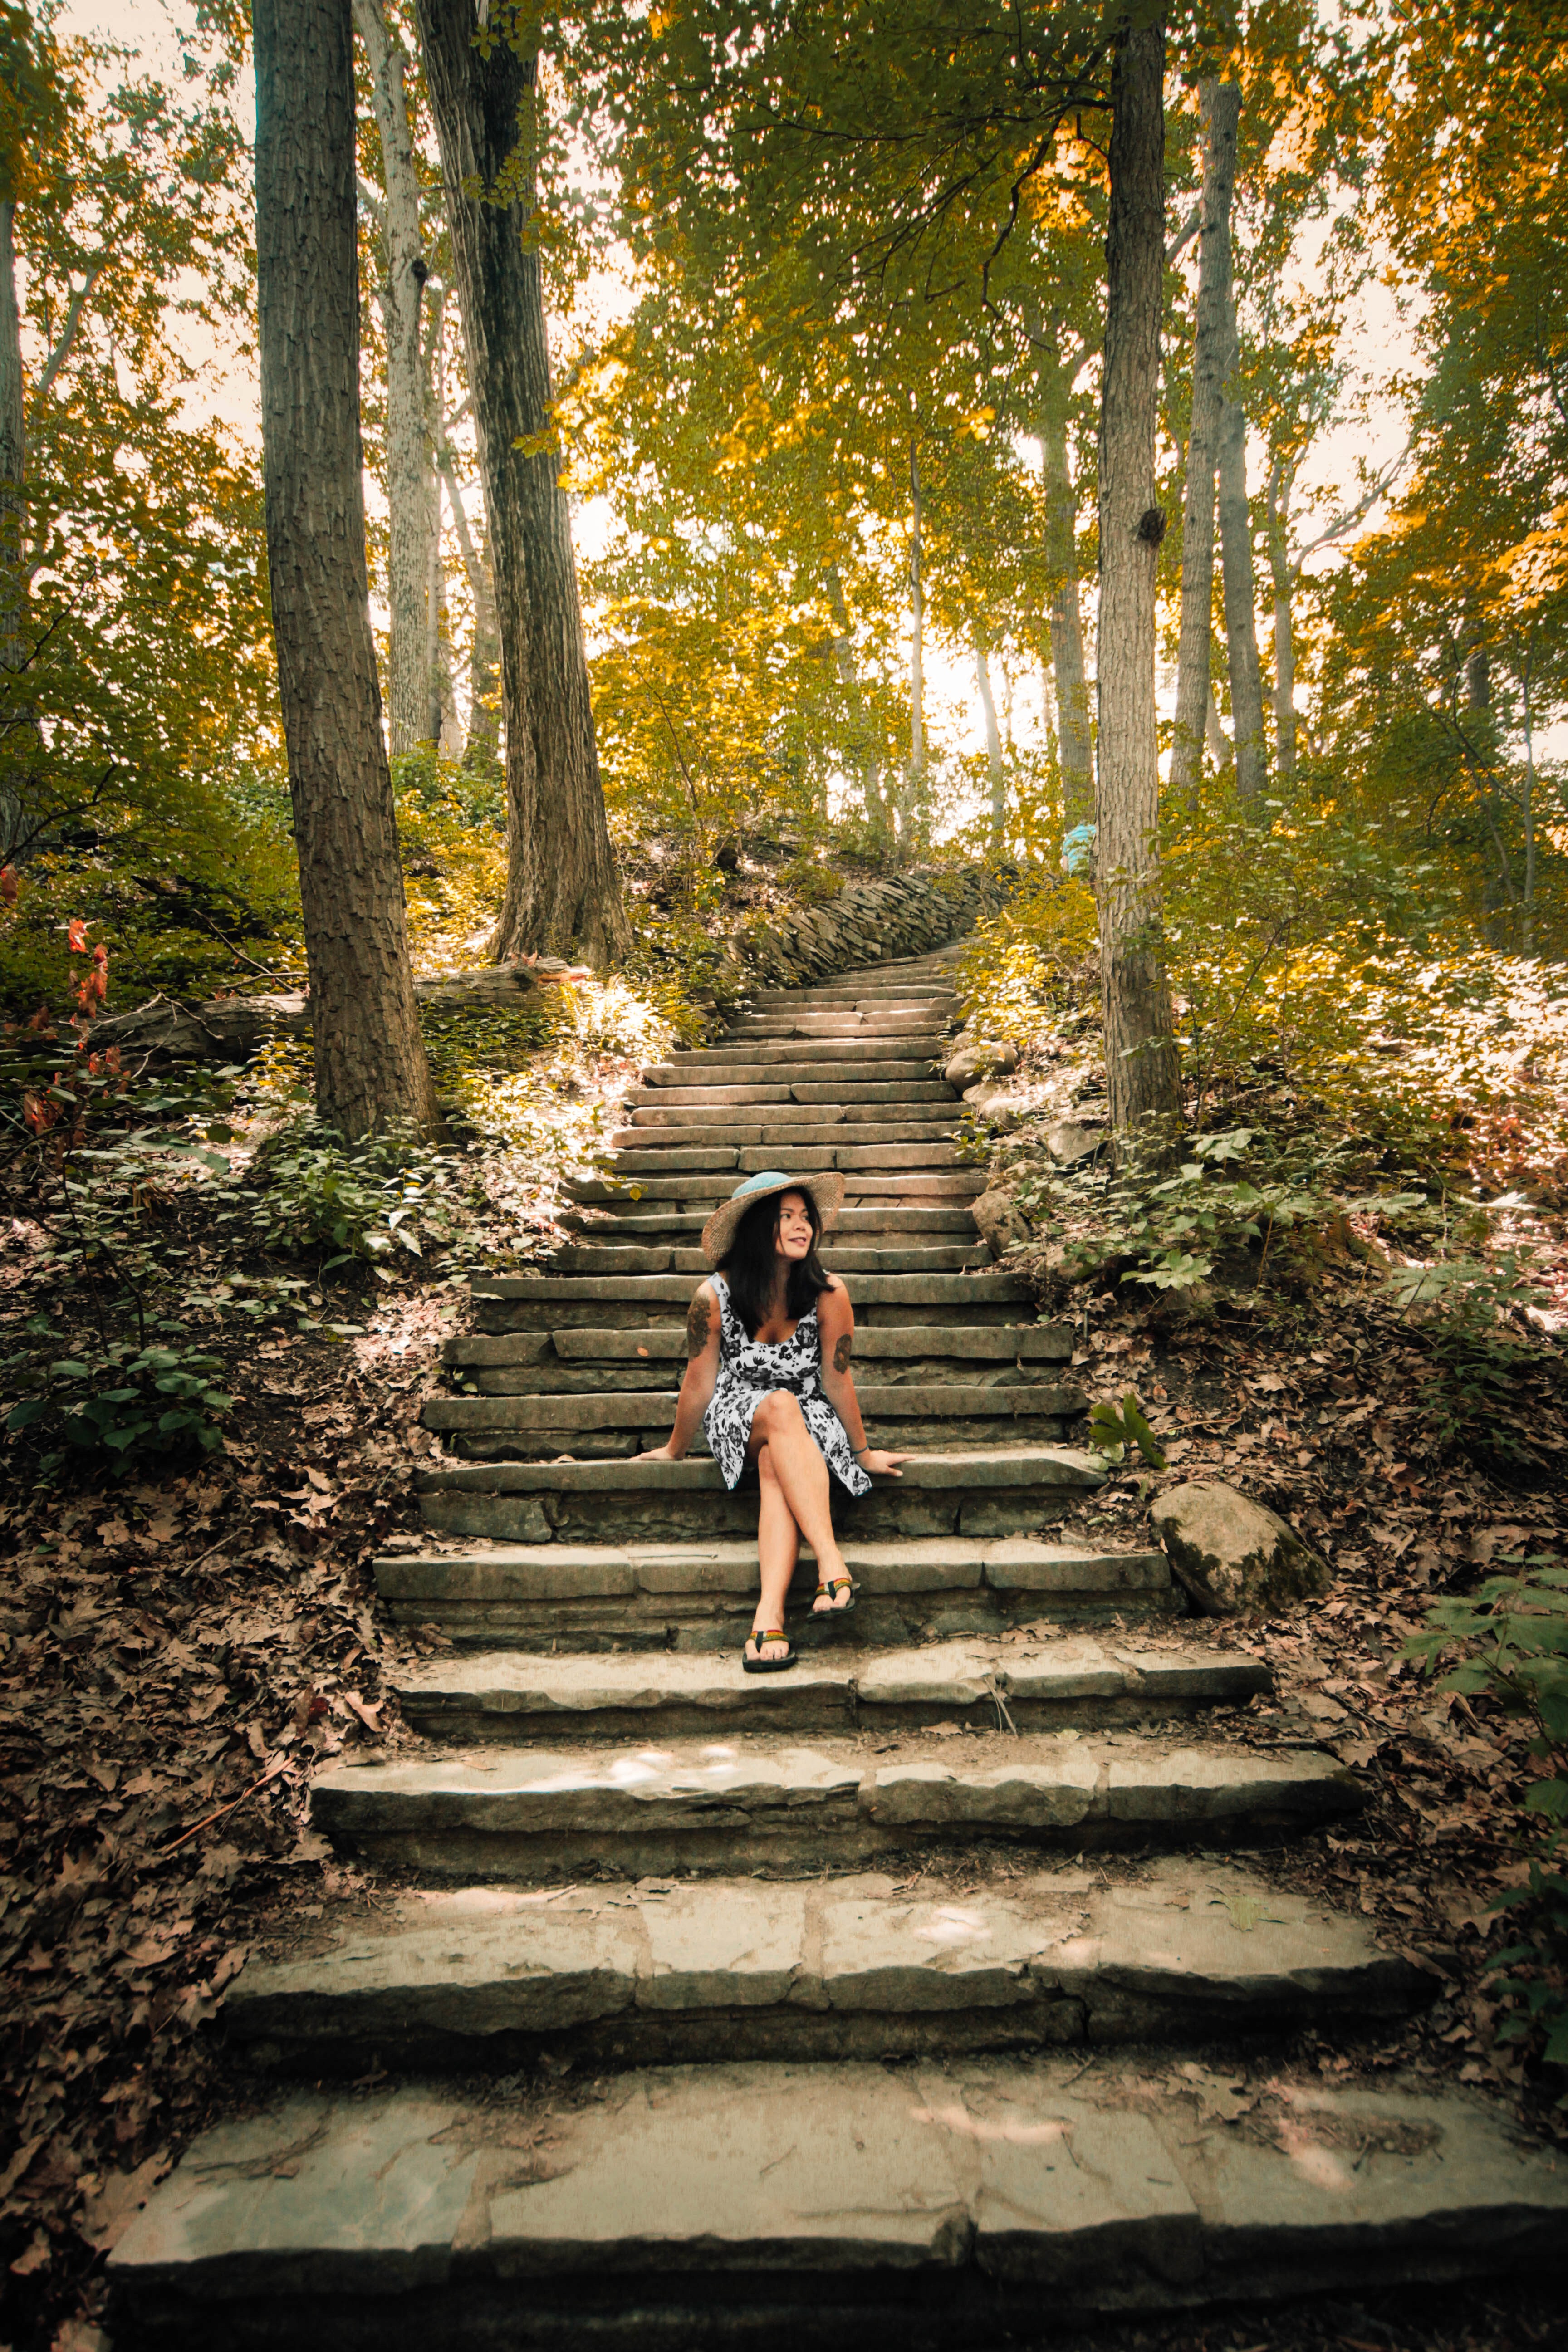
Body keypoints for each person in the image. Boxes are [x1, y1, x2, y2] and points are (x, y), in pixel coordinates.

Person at [637, 1171, 909, 1673]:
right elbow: (699, 1382)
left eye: (806, 1217)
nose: (802, 1226)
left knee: (772, 1464)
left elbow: (838, 1379)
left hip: (806, 1421)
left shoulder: (829, 1294)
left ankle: (769, 1615)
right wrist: (674, 1448)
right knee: (780, 1406)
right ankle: (831, 1562)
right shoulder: (713, 1297)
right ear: (758, 1228)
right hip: (739, 1411)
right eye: (786, 1217)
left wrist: (863, 1451)